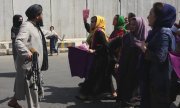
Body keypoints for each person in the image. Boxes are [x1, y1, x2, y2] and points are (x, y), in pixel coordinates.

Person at [135, 2, 176, 108]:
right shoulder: (156, 31)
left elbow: (160, 57)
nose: (148, 17)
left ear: (159, 17)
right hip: (154, 80)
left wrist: (144, 49)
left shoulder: (163, 32)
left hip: (159, 83)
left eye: (151, 14)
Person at [8, 4, 49, 108]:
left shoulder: (35, 26)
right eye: (41, 14)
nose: (43, 16)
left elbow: (41, 34)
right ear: (37, 16)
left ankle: (13, 102)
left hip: (33, 66)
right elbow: (18, 41)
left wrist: (53, 33)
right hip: (29, 66)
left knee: (23, 87)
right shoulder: (26, 25)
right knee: (33, 93)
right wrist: (27, 53)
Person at [77, 16, 112, 100]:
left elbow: (105, 46)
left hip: (101, 58)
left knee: (93, 76)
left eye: (93, 22)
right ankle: (94, 93)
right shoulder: (95, 31)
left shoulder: (99, 32)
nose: (92, 23)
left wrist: (94, 50)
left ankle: (85, 94)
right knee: (97, 77)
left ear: (98, 23)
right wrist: (85, 22)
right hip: (98, 57)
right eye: (91, 21)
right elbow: (89, 29)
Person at [116, 17, 148, 107]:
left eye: (135, 24)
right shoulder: (126, 36)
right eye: (131, 24)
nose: (132, 26)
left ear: (140, 26)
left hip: (137, 68)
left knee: (134, 89)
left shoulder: (145, 39)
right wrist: (118, 62)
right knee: (124, 85)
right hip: (125, 65)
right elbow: (122, 51)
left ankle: (132, 103)